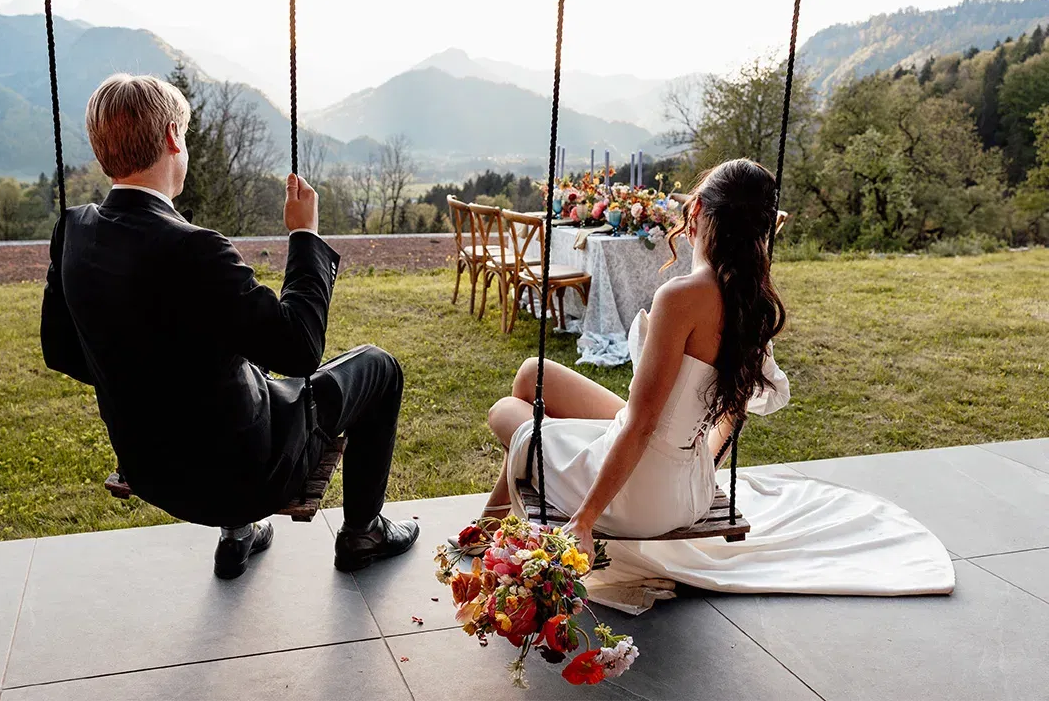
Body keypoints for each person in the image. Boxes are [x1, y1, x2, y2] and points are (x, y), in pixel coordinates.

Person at [41, 73, 418, 579]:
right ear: (174, 137)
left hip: (151, 470)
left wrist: (143, 381)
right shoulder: (193, 249)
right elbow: (299, 348)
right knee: (379, 367)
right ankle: (363, 532)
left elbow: (61, 350)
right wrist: (304, 235)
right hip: (244, 478)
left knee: (231, 379)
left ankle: (238, 533)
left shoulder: (74, 229)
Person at [482, 159, 787, 561]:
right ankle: (488, 527)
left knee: (506, 410)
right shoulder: (753, 304)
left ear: (695, 211)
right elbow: (730, 418)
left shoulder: (682, 298)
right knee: (532, 375)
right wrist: (698, 475)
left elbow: (643, 426)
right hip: (689, 489)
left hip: (637, 499)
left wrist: (585, 520)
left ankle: (487, 530)